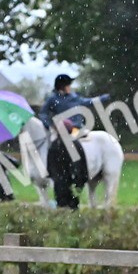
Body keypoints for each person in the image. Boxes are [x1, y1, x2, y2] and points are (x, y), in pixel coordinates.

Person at [39, 74, 110, 209]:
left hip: (76, 129)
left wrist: (103, 98)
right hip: (61, 130)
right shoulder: (52, 99)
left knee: (78, 145)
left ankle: (79, 171)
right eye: (68, 85)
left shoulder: (74, 97)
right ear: (62, 87)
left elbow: (89, 102)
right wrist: (49, 125)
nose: (70, 87)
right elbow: (43, 113)